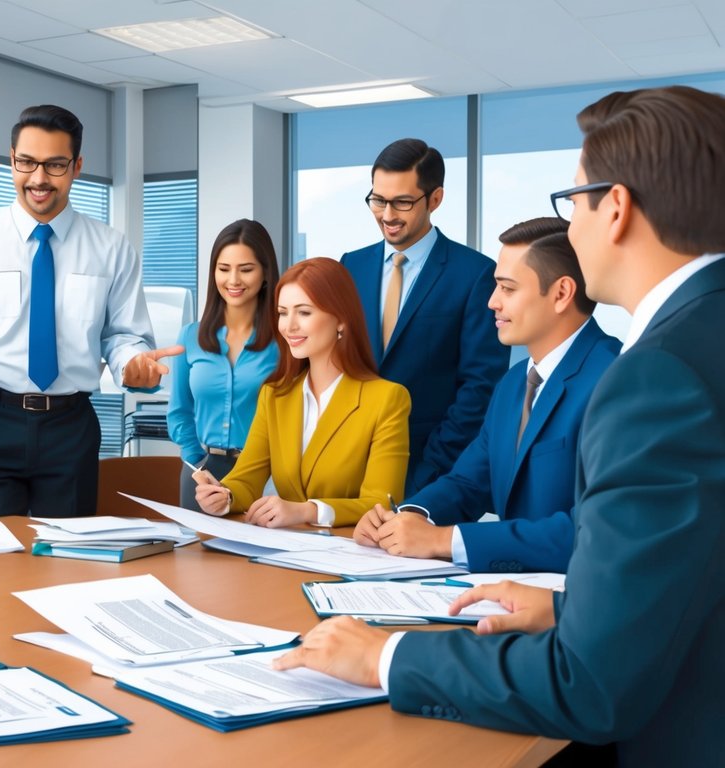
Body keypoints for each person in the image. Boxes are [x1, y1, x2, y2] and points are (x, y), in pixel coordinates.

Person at [275, 85, 725, 767]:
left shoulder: (653, 375)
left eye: (571, 201)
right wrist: (580, 606)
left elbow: (590, 685)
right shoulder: (696, 337)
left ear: (615, 208)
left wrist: (385, 655)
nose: (568, 227)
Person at [0, 104, 181, 519]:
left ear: (76, 166)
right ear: (12, 161)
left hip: (69, 427)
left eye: (54, 165)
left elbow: (123, 336)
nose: (38, 179)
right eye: (26, 163)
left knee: (65, 565)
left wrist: (133, 364)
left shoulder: (111, 248)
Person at [353, 218, 619, 573]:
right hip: (508, 595)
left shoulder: (615, 381)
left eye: (507, 289)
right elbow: (467, 482)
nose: (492, 302)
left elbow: (593, 528)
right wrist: (404, 517)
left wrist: (443, 541)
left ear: (561, 293)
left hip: (574, 603)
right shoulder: (512, 385)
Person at [340, 139, 509, 494]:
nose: (387, 215)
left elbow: (479, 388)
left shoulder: (475, 274)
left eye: (402, 202)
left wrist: (429, 473)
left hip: (426, 472)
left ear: (435, 199)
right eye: (378, 200)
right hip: (347, 469)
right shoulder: (350, 266)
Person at [193, 257, 410, 528]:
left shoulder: (386, 399)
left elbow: (382, 502)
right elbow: (246, 479)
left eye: (304, 312)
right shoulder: (274, 395)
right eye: (283, 312)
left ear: (341, 320)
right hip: (285, 554)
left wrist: (307, 511)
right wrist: (224, 496)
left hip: (351, 554)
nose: (288, 326)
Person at [167, 219, 279, 511]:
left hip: (264, 476)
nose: (233, 280)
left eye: (246, 269)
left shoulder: (284, 342)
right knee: (194, 556)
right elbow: (179, 411)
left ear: (266, 273)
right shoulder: (190, 336)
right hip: (201, 473)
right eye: (224, 268)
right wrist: (197, 463)